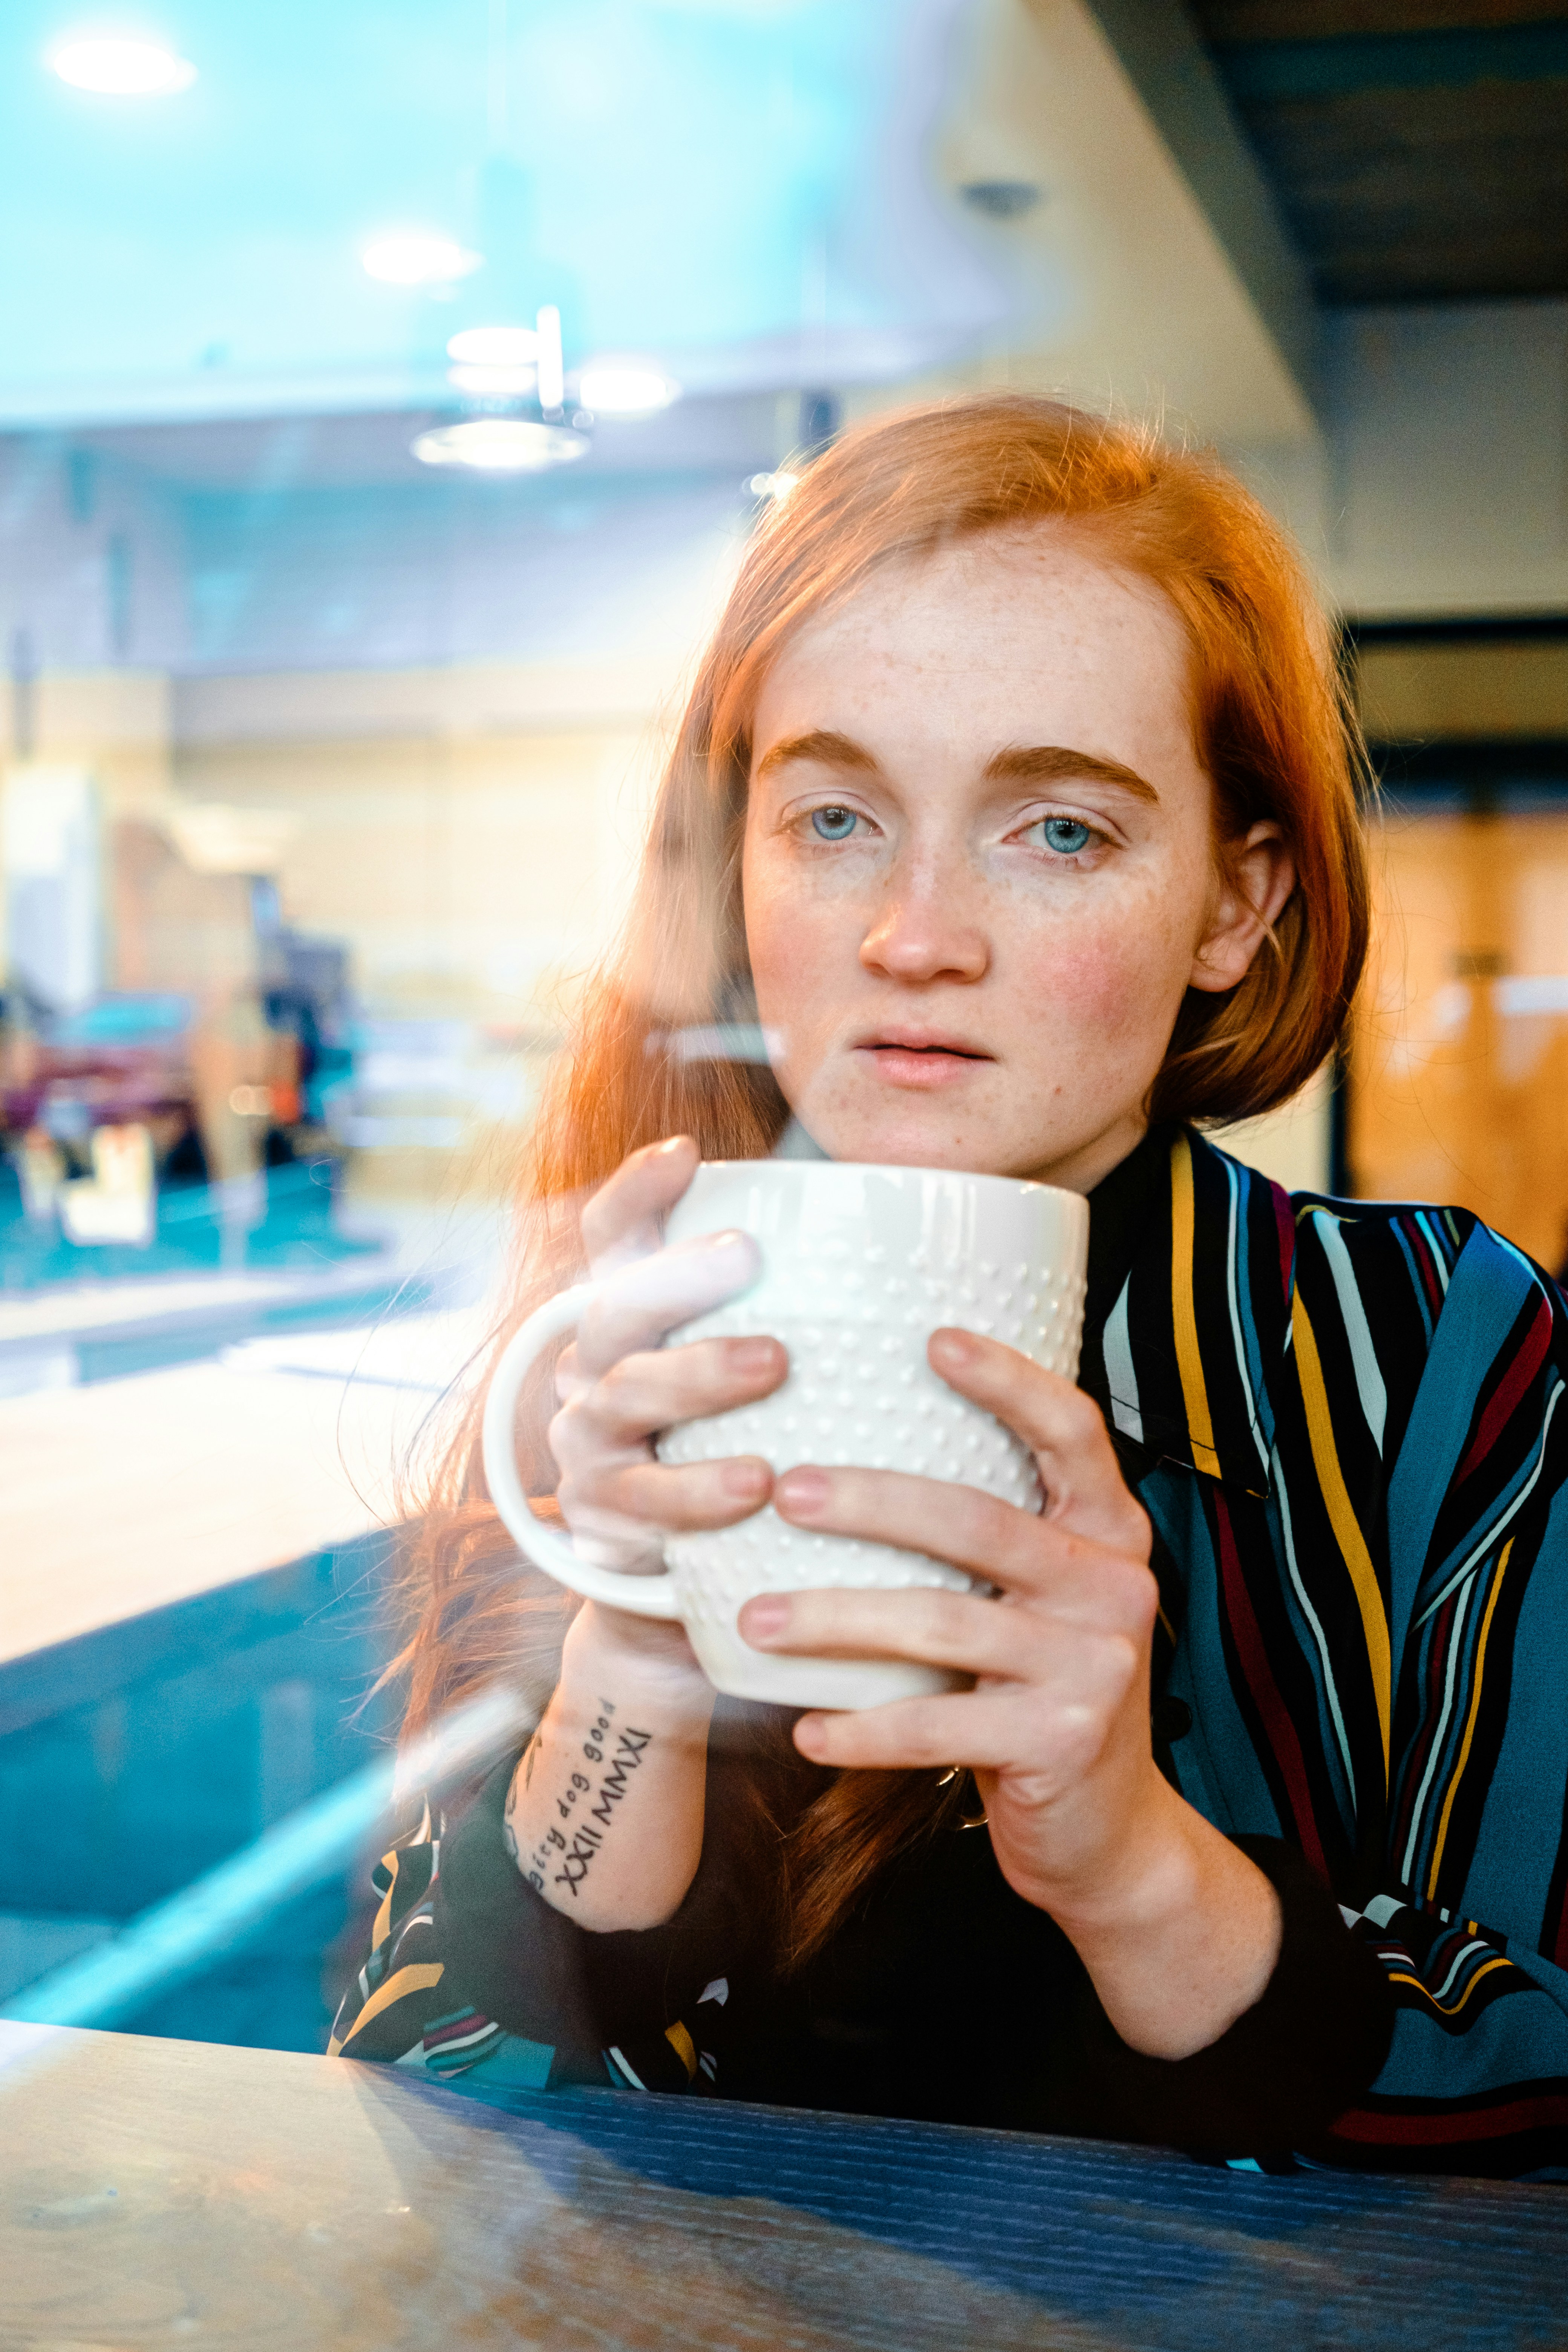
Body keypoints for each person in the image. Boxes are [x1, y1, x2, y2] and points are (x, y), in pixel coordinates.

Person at [331, 396, 1568, 2177]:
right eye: (833, 818)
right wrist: (634, 1656)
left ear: (1234, 908)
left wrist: (1135, 1865)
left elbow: (1536, 2094)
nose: (916, 936)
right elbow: (418, 2071)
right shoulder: (639, 1332)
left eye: (1055, 832)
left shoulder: (1441, 1358)